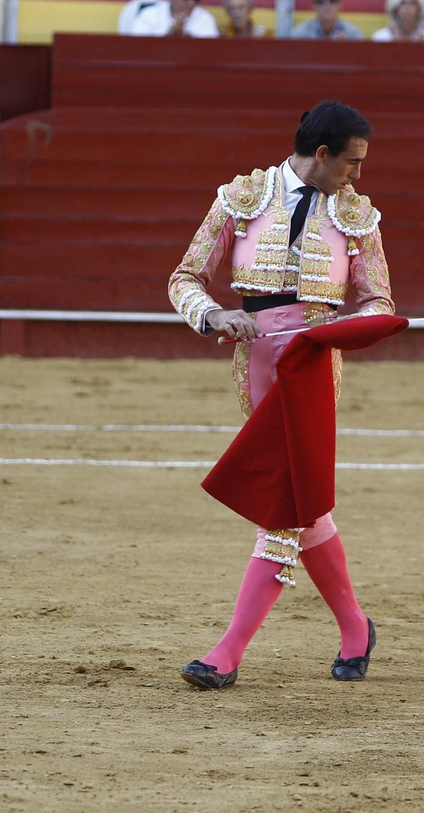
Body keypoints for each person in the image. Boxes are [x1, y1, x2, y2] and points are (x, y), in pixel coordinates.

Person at [168, 100, 393, 691]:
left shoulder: (357, 215)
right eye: (352, 161)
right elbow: (184, 278)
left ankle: (227, 652)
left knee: (284, 504)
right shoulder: (241, 198)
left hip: (314, 368)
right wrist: (215, 314)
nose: (358, 173)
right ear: (321, 154)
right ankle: (355, 627)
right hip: (257, 367)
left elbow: (378, 300)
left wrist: (348, 328)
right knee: (303, 502)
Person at [296, 0, 366, 38]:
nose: (326, 5)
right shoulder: (301, 34)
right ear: (314, 6)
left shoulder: (352, 34)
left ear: (340, 4)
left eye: (332, 0)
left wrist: (346, 47)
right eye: (320, 1)